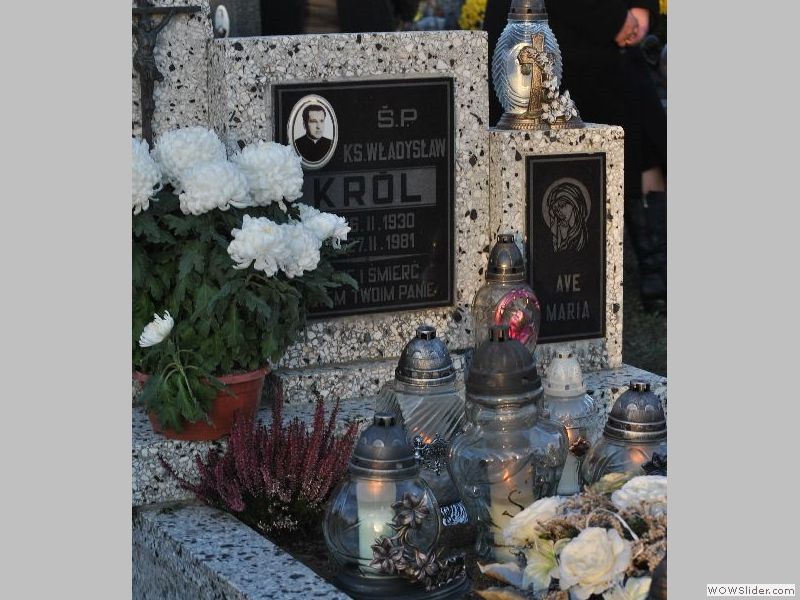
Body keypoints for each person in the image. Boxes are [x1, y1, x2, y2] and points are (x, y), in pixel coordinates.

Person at [484, 0, 667, 314]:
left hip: (604, 43)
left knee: (640, 119)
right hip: (543, 33)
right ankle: (553, 273)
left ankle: (654, 265)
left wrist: (640, 9)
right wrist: (613, 18)